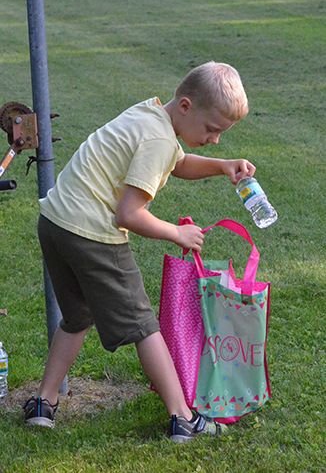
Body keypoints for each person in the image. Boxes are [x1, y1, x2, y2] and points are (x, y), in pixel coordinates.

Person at [23, 61, 256, 442]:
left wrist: (221, 166)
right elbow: (128, 214)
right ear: (185, 106)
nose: (215, 140)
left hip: (56, 223)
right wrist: (176, 234)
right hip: (92, 233)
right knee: (145, 327)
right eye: (212, 130)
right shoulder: (159, 140)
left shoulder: (149, 113)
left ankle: (43, 404)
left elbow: (176, 163)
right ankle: (182, 417)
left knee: (78, 316)